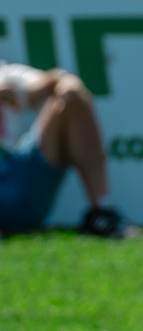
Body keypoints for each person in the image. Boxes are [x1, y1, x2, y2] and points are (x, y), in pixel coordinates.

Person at [0, 61, 136, 239]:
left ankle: (102, 212)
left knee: (72, 97)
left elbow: (51, 83)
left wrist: (64, 81)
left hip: (17, 180)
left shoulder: (6, 74)